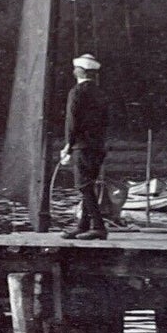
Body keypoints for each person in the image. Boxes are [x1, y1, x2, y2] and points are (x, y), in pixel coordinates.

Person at [59, 53, 109, 239]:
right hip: (99, 145)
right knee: (89, 184)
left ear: (79, 71)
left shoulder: (76, 92)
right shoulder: (100, 93)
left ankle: (98, 226)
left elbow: (72, 122)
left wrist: (68, 146)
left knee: (83, 186)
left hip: (82, 146)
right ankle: (83, 225)